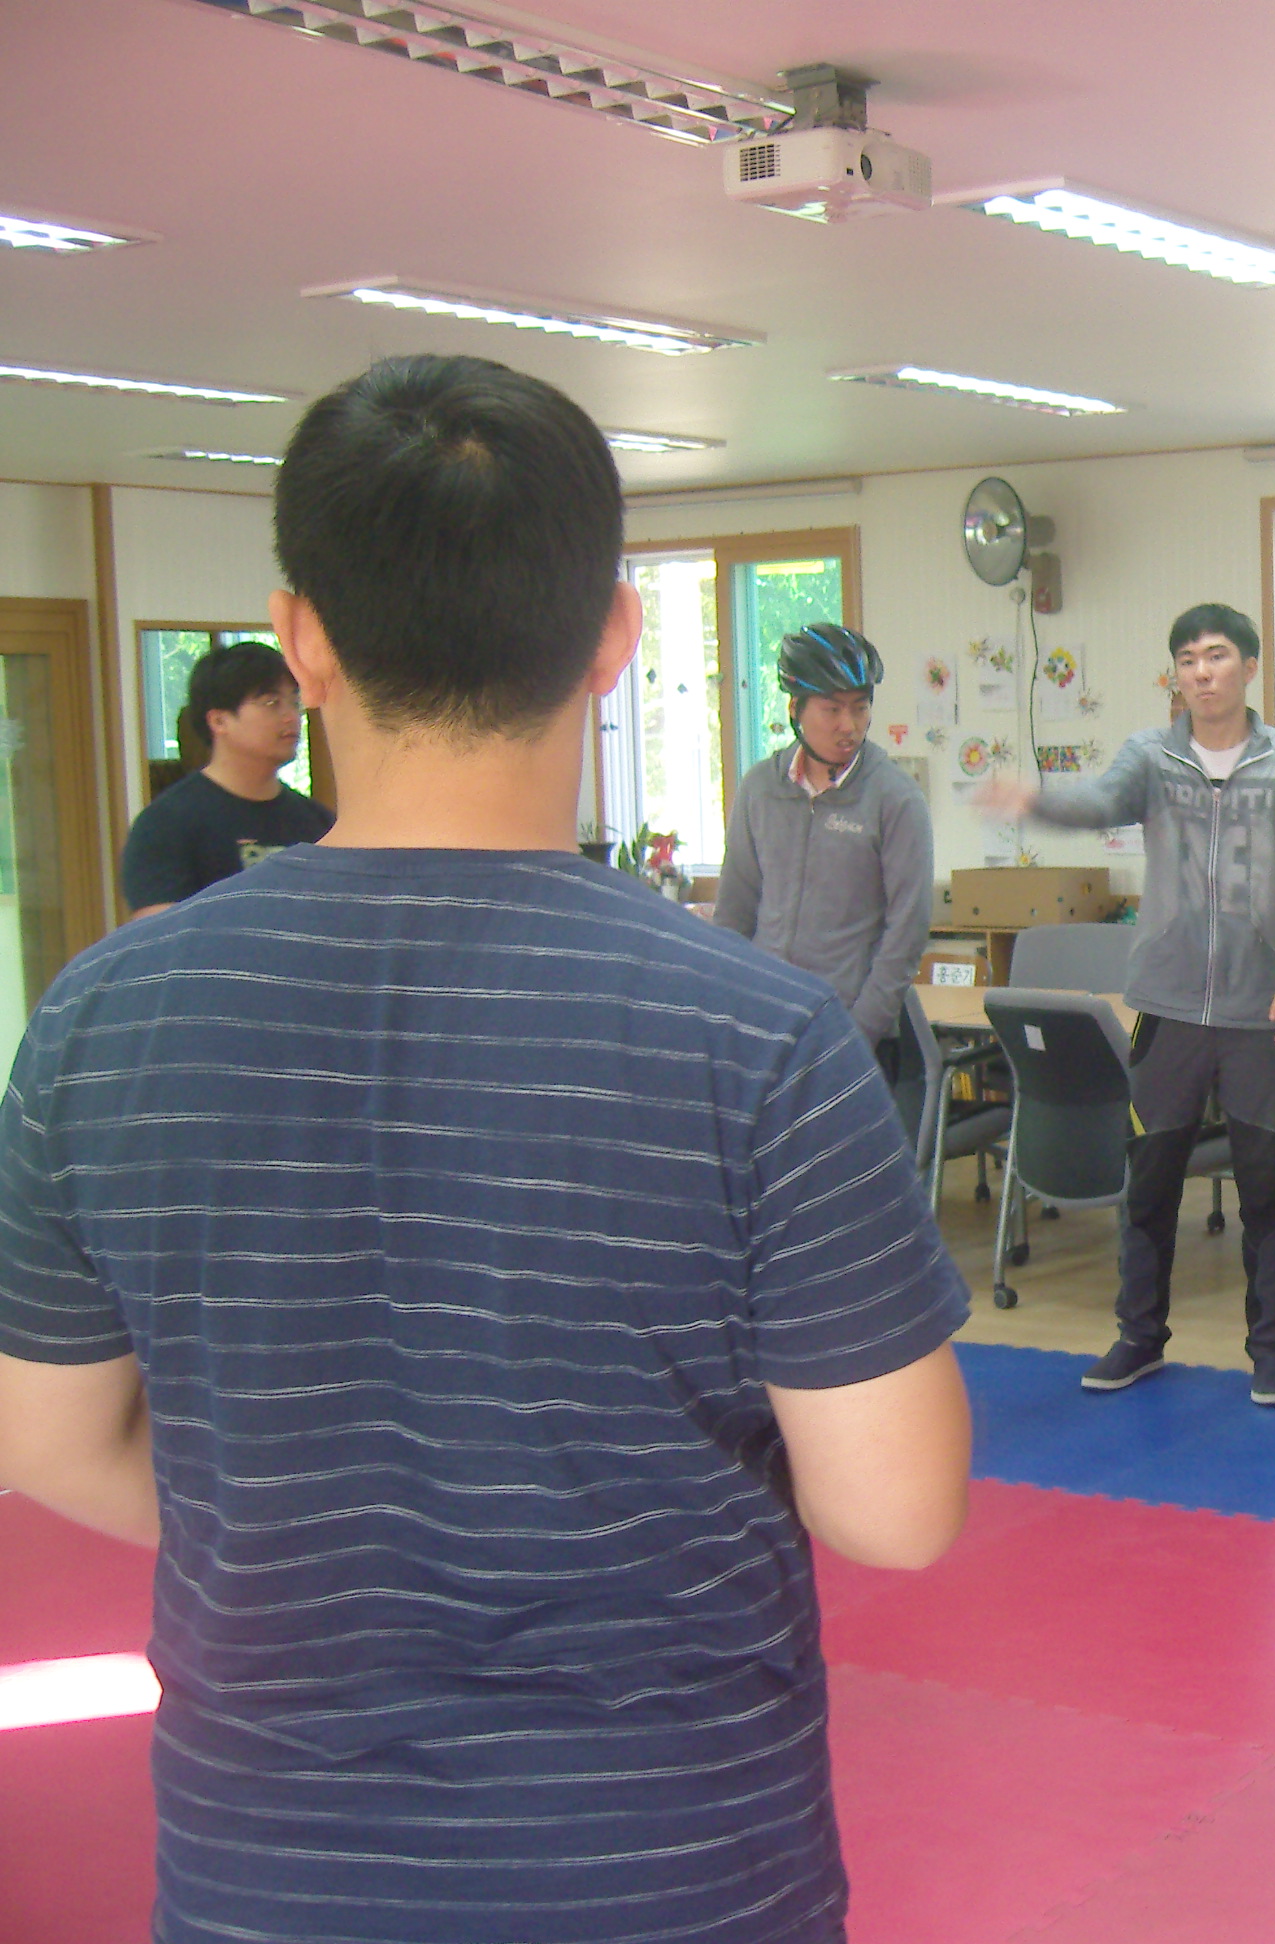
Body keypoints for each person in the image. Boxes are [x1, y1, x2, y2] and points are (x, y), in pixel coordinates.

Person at [0, 353, 973, 1944]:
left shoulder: (101, 1017)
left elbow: (44, 1440)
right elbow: (897, 1507)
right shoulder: (757, 1038)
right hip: (670, 1872)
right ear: (613, 635)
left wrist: (315, 1529)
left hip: (271, 1873)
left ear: (304, 638)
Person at [984, 603, 1275, 1406]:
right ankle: (1139, 1337)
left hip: (1258, 1011)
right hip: (1168, 1007)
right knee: (1150, 1184)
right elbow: (1099, 803)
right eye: (1187, 660)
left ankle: (1272, 1352)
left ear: (1249, 667)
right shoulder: (1151, 756)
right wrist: (1034, 800)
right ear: (1175, 676)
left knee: (1266, 1189)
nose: (1202, 673)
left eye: (1217, 656)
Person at [715, 622, 934, 1059]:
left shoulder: (895, 798)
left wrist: (857, 1035)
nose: (848, 726)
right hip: (765, 1027)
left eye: (860, 708)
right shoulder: (760, 789)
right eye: (831, 709)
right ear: (795, 708)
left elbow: (906, 935)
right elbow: (735, 913)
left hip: (850, 1034)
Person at [120, 639, 333, 917]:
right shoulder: (165, 824)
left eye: (294, 702)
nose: (291, 717)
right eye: (271, 703)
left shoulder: (318, 822)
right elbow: (160, 932)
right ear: (219, 721)